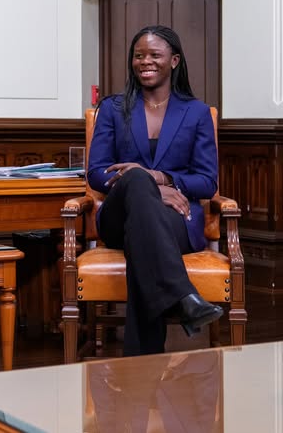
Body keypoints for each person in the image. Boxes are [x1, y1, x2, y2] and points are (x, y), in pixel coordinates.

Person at [87, 25, 223, 356]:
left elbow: (207, 181)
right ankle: (182, 294)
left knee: (142, 235)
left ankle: (141, 362)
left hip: (176, 218)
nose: (145, 61)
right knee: (135, 178)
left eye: (154, 55)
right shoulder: (113, 109)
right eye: (139, 55)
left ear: (174, 60)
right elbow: (96, 173)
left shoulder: (197, 113)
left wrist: (161, 178)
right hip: (118, 216)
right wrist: (147, 185)